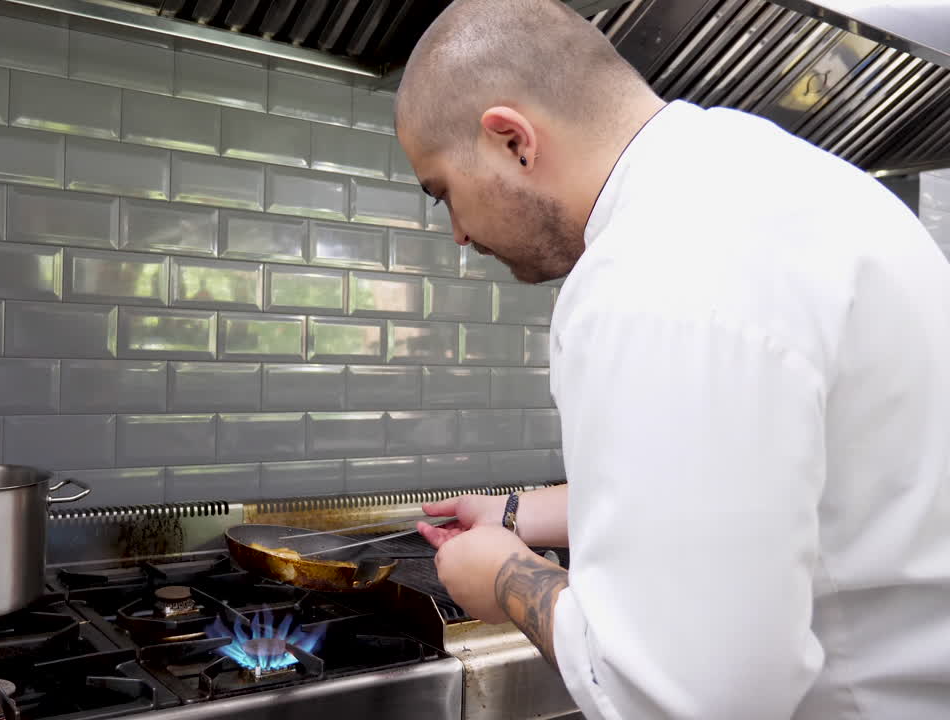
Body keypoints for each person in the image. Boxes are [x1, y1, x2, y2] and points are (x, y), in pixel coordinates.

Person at [397, 1, 950, 718]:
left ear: (513, 141)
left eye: (443, 193)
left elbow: (689, 698)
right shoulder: (778, 186)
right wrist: (516, 513)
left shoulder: (654, 279)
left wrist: (507, 578)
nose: (459, 237)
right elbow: (783, 485)